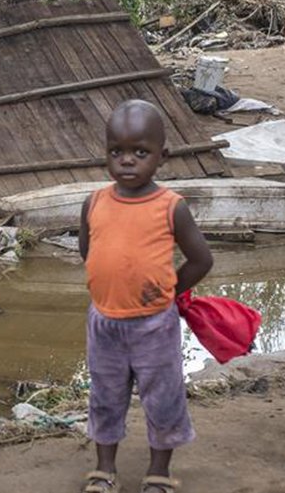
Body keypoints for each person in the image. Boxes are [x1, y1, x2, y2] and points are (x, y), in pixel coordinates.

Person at [77, 99, 213, 493]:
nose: (127, 161)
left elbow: (201, 260)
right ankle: (104, 470)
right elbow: (90, 252)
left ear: (162, 156)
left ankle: (158, 472)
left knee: (163, 397)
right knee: (105, 394)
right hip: (104, 322)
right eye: (116, 151)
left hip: (154, 324)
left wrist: (168, 291)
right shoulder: (95, 203)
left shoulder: (172, 207)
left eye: (140, 152)